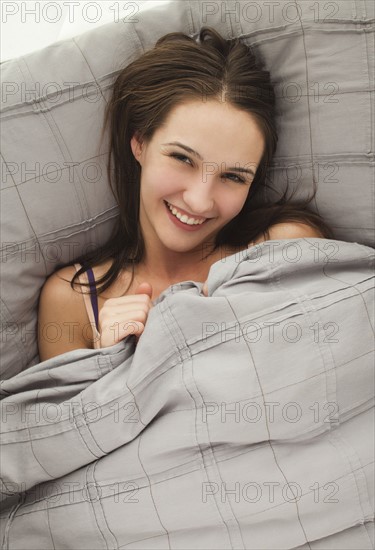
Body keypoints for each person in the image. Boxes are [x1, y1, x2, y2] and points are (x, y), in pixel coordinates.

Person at [37, 27, 333, 362]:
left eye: (233, 176)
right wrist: (111, 364)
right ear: (140, 142)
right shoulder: (73, 297)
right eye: (182, 159)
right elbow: (68, 414)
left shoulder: (280, 246)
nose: (199, 200)